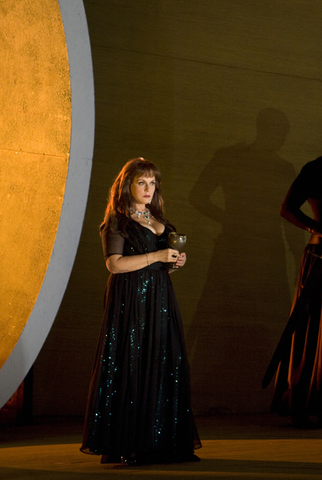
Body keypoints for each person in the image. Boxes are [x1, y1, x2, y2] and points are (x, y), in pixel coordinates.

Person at [80, 157, 201, 464]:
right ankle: (132, 444)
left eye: (152, 183)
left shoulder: (156, 217)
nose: (149, 188)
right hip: (130, 301)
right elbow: (115, 265)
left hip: (160, 300)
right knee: (133, 365)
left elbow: (157, 265)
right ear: (127, 186)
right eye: (141, 182)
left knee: (162, 364)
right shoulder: (117, 221)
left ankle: (161, 442)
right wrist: (158, 254)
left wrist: (172, 263)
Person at [270, 156, 322, 426]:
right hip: (321, 257)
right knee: (312, 328)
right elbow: (287, 208)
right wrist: (317, 228)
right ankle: (302, 403)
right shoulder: (317, 168)